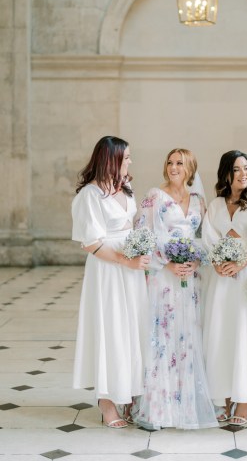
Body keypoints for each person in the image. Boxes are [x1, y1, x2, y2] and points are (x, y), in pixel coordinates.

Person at [135, 148, 217, 430]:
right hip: (164, 278)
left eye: (179, 163)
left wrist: (195, 261)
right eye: (170, 162)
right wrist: (167, 264)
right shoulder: (155, 196)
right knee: (163, 336)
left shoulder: (198, 201)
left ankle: (186, 406)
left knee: (188, 336)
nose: (173, 167)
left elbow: (205, 236)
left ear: (190, 168)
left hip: (190, 279)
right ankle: (158, 410)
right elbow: (142, 234)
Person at [71, 136, 149, 428]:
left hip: (131, 270)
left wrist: (139, 253)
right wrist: (125, 260)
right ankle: (106, 402)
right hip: (108, 270)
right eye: (126, 157)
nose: (130, 162)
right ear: (111, 159)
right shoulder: (89, 196)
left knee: (132, 329)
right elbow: (91, 243)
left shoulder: (125, 188)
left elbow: (131, 226)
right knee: (111, 329)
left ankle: (128, 393)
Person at [202, 150, 247, 426]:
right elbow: (209, 236)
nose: (244, 174)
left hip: (246, 277)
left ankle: (244, 402)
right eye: (237, 169)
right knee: (222, 335)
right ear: (226, 174)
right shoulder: (217, 204)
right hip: (220, 281)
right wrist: (218, 261)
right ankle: (224, 396)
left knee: (246, 335)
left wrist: (240, 263)